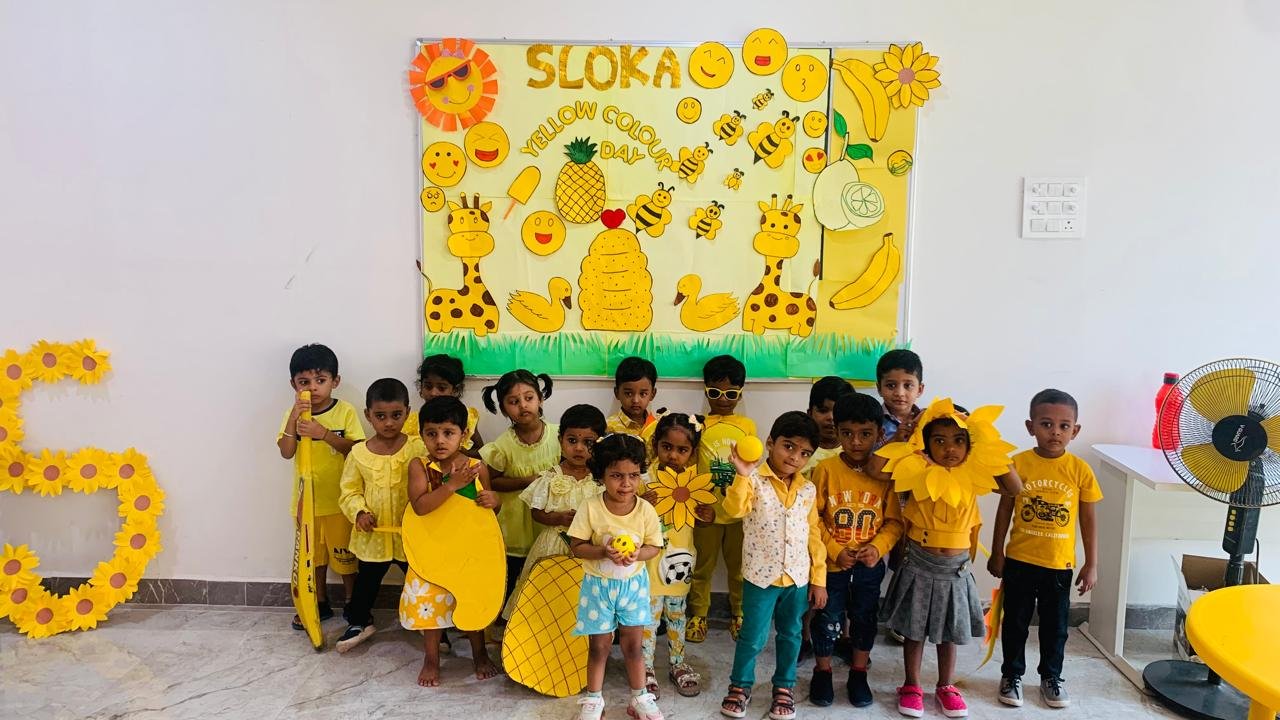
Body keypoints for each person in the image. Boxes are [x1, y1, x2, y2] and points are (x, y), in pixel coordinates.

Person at [872, 399, 1023, 718]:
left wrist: (986, 439)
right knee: (914, 630)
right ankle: (911, 685)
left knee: (948, 633)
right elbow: (875, 469)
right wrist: (903, 436)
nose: (950, 448)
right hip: (919, 563)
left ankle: (945, 685)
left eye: (959, 440)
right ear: (926, 444)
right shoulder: (915, 470)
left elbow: (1014, 486)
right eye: (939, 441)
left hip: (955, 569)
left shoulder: (973, 475)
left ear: (969, 445)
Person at [989, 389, 1101, 710]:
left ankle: (1052, 677)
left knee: (1056, 628)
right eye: (1046, 424)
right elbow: (1004, 511)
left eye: (1064, 426)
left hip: (1059, 565)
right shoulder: (1017, 464)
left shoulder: (1080, 470)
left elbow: (1088, 520)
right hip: (1020, 561)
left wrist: (1091, 563)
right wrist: (997, 552)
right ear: (1031, 427)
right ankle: (1011, 675)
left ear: (1075, 431)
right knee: (1015, 623)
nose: (1055, 432)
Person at [720, 412, 827, 720]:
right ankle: (740, 685)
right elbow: (734, 509)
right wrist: (742, 474)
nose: (794, 457)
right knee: (752, 636)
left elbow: (814, 534)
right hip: (760, 577)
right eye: (788, 447)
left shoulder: (808, 489)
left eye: (804, 453)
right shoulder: (753, 480)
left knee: (791, 634)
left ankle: (784, 686)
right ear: (770, 443)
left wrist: (818, 578)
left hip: (797, 577)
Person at [400, 395, 502, 686]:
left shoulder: (476, 467)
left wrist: (494, 500)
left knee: (473, 603)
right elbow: (420, 506)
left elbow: (489, 513)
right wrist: (452, 485)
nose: (440, 441)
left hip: (468, 553)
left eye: (448, 433)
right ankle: (431, 659)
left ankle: (479, 654)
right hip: (430, 553)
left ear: (464, 434)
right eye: (431, 433)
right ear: (421, 435)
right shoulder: (420, 466)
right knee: (430, 609)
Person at [808, 393, 902, 707]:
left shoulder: (886, 475)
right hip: (832, 567)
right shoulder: (826, 470)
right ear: (837, 431)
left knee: (864, 619)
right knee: (826, 619)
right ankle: (822, 671)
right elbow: (812, 518)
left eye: (865, 434)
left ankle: (858, 673)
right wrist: (834, 549)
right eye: (847, 433)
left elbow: (894, 521)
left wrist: (877, 547)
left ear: (880, 434)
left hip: (868, 569)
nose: (856, 442)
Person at [568, 434, 666, 720]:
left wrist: (638, 554)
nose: (626, 484)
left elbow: (654, 546)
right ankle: (593, 700)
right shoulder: (591, 507)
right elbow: (577, 546)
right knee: (598, 647)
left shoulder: (645, 510)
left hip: (633, 588)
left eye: (633, 475)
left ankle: (639, 697)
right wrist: (602, 551)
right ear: (601, 476)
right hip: (597, 588)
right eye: (616, 476)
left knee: (634, 646)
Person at [276, 343, 364, 630]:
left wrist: (323, 433)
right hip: (306, 504)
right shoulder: (292, 414)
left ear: (335, 381)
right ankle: (318, 602)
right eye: (304, 382)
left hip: (340, 501)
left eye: (320, 380)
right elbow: (286, 451)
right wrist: (294, 418)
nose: (312, 388)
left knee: (345, 557)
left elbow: (356, 450)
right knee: (312, 558)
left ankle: (353, 604)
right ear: (294, 384)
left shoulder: (345, 411)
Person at [335, 378, 423, 652]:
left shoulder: (418, 448)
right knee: (366, 582)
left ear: (407, 412)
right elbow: (349, 491)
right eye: (380, 416)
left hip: (412, 534)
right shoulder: (358, 453)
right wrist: (359, 512)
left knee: (421, 579)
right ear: (368, 415)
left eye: (396, 415)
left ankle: (430, 624)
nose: (389, 423)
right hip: (373, 536)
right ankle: (359, 621)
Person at [501, 404, 605, 618]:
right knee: (548, 595)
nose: (579, 448)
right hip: (554, 544)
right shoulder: (550, 476)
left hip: (590, 546)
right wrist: (558, 517)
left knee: (582, 596)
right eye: (572, 440)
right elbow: (536, 512)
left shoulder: (601, 479)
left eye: (588, 443)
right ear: (560, 440)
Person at [640, 413, 715, 699]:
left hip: (680, 561)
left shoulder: (696, 484)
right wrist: (640, 504)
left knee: (677, 613)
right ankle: (645, 668)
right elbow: (627, 517)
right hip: (649, 564)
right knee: (648, 618)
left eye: (682, 450)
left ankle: (678, 662)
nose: (673, 455)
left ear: (692, 453)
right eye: (667, 447)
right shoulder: (644, 481)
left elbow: (701, 520)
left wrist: (708, 516)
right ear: (655, 446)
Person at [688, 354, 755, 643]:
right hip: (706, 510)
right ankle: (698, 614)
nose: (723, 399)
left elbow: (751, 466)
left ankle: (739, 613)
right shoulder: (698, 424)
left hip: (739, 512)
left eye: (731, 393)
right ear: (706, 391)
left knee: (739, 569)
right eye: (715, 392)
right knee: (702, 566)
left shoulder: (747, 425)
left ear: (740, 393)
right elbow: (690, 462)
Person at [480, 369, 560, 600]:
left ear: (540, 399)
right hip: (515, 522)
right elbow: (493, 481)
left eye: (529, 398)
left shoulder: (559, 436)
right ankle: (504, 615)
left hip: (548, 517)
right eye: (514, 402)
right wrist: (525, 481)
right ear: (504, 409)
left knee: (547, 571)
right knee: (512, 573)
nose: (523, 405)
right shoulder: (503, 445)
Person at [403, 354, 484, 456]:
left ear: (455, 390)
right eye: (428, 386)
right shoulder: (410, 421)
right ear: (421, 387)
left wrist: (460, 453)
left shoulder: (466, 417)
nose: (433, 393)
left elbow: (481, 451)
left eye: (441, 388)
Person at [801, 376, 856, 479]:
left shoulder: (857, 452)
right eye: (823, 411)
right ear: (810, 414)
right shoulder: (798, 452)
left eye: (838, 411)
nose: (831, 417)